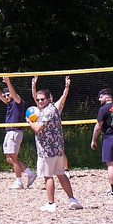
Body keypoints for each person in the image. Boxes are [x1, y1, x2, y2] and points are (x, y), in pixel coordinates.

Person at [28, 75, 83, 212]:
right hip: (57, 149)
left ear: (49, 99)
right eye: (38, 100)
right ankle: (72, 199)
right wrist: (33, 86)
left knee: (48, 176)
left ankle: (51, 203)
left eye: (42, 99)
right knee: (61, 174)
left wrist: (30, 122)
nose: (39, 102)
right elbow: (36, 99)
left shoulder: (46, 112)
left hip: (47, 150)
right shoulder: (54, 109)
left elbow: (38, 128)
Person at [0, 76, 36, 189]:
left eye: (8, 94)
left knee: (14, 158)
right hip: (9, 132)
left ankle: (19, 181)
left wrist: (8, 82)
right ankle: (30, 173)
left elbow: (14, 94)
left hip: (15, 132)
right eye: (5, 95)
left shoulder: (18, 102)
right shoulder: (9, 103)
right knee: (9, 158)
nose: (6, 97)